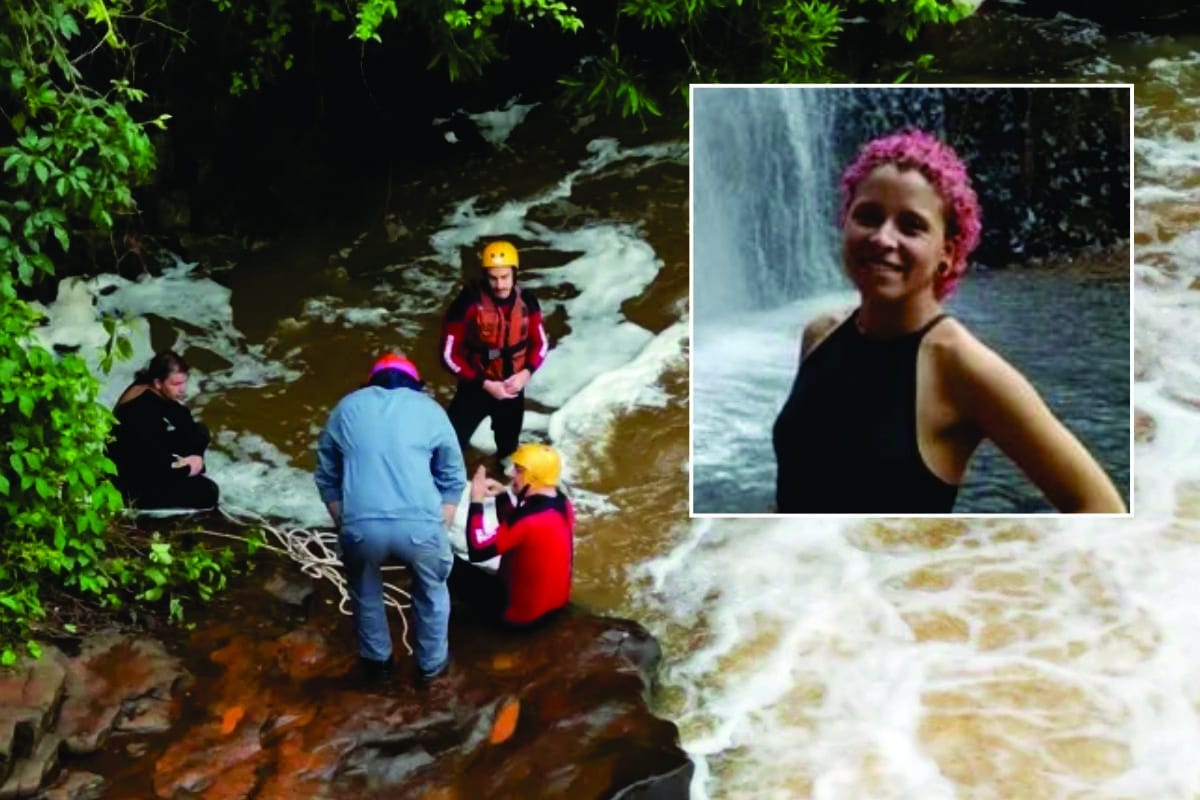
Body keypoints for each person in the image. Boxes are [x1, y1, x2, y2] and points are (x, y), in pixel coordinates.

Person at [772, 129, 1126, 514]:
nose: (883, 238)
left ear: (947, 253)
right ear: (846, 225)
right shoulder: (820, 335)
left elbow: (1099, 506)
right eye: (868, 217)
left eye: (911, 226)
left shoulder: (959, 365)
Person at [314, 353, 466, 684]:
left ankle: (378, 665)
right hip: (421, 527)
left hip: (362, 527)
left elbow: (326, 475)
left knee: (364, 590)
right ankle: (431, 669)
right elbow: (453, 477)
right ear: (415, 384)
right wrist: (440, 523)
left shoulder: (347, 407)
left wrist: (345, 523)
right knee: (432, 592)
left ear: (370, 383)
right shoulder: (431, 410)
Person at [438, 240, 549, 464]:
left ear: (514, 274)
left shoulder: (527, 301)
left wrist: (525, 374)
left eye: (505, 277)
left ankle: (502, 490)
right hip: (475, 387)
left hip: (511, 387)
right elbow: (448, 354)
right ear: (485, 276)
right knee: (448, 447)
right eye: (493, 278)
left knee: (509, 455)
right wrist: (485, 383)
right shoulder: (468, 303)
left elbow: (541, 344)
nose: (499, 285)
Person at [461, 442, 574, 627]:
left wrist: (476, 502)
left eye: (519, 470)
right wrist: (502, 496)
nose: (510, 473)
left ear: (534, 477)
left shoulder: (528, 519)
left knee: (448, 565)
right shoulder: (562, 503)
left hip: (518, 617)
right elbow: (518, 530)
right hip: (555, 608)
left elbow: (478, 550)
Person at [109, 350, 219, 510]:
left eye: (184, 382)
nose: (182, 389)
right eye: (175, 384)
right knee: (209, 492)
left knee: (199, 431)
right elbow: (152, 466)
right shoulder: (141, 413)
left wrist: (195, 458)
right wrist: (188, 469)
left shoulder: (151, 390)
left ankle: (194, 470)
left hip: (148, 456)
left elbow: (184, 421)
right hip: (132, 482)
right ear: (158, 383)